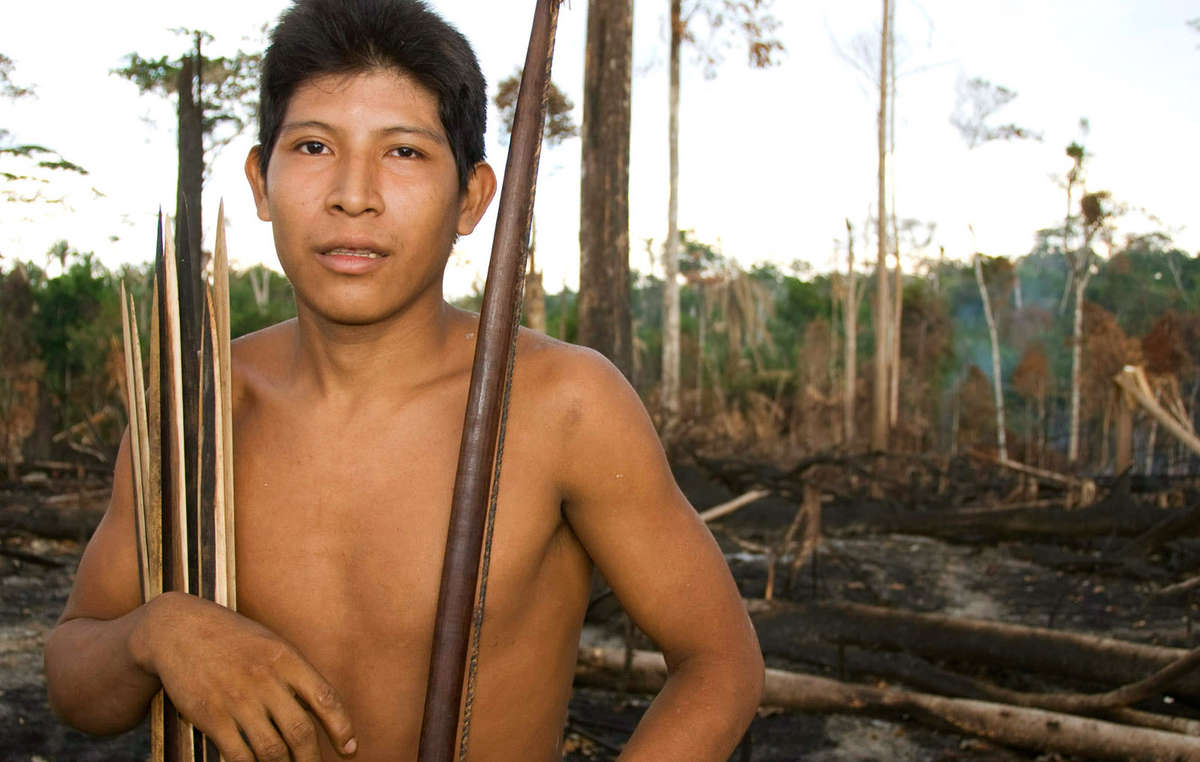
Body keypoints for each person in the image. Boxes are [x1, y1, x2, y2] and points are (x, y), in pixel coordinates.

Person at [43, 0, 764, 759]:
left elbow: (719, 660)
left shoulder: (561, 407)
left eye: (405, 153)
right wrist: (157, 634)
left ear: (473, 197)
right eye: (315, 145)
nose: (354, 194)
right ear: (261, 181)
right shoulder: (200, 412)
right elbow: (73, 677)